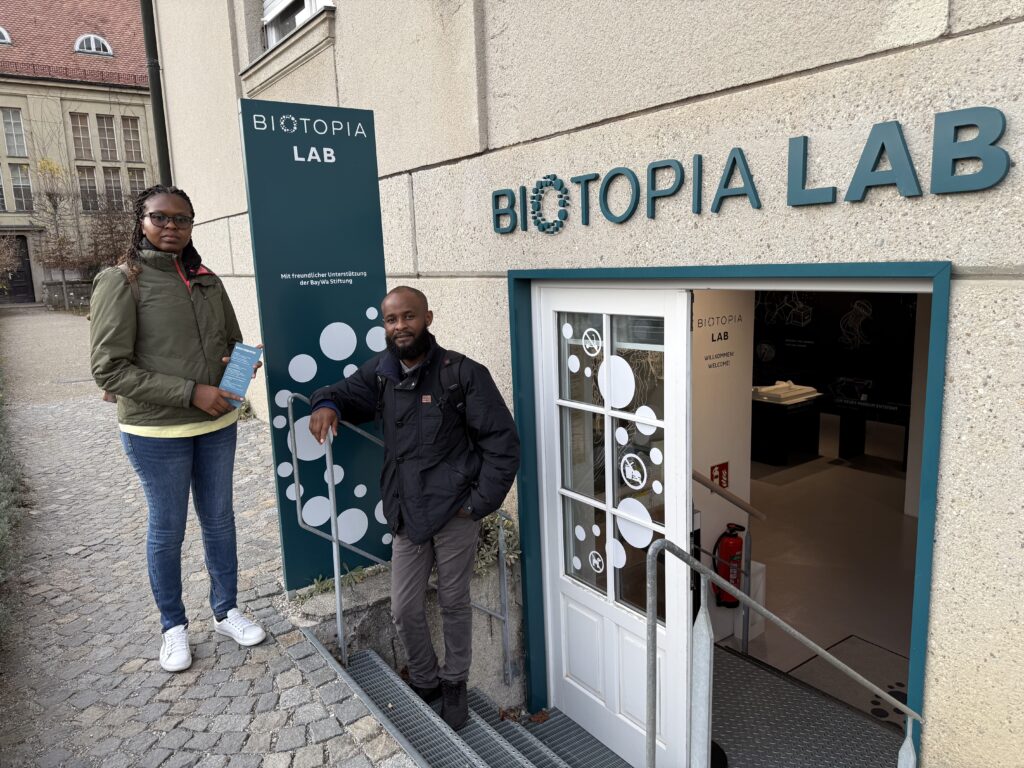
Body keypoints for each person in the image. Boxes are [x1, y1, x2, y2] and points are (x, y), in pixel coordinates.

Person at [308, 287, 519, 728]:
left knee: (454, 601)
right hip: (406, 511)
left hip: (456, 511)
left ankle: (455, 681)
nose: (400, 326)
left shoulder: (462, 373)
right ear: (384, 326)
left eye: (409, 317)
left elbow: (503, 444)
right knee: (404, 608)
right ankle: (425, 680)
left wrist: (477, 505)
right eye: (391, 320)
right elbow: (339, 393)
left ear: (428, 318)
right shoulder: (381, 372)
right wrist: (325, 405)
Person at [90, 185, 266, 673]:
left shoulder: (207, 280)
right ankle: (173, 626)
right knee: (168, 529)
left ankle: (226, 611)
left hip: (217, 422)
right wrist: (191, 392)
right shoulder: (121, 281)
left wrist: (238, 364)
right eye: (160, 217)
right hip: (156, 432)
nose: (171, 226)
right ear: (141, 221)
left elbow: (231, 340)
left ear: (191, 225)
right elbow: (109, 370)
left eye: (181, 219)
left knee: (220, 519)